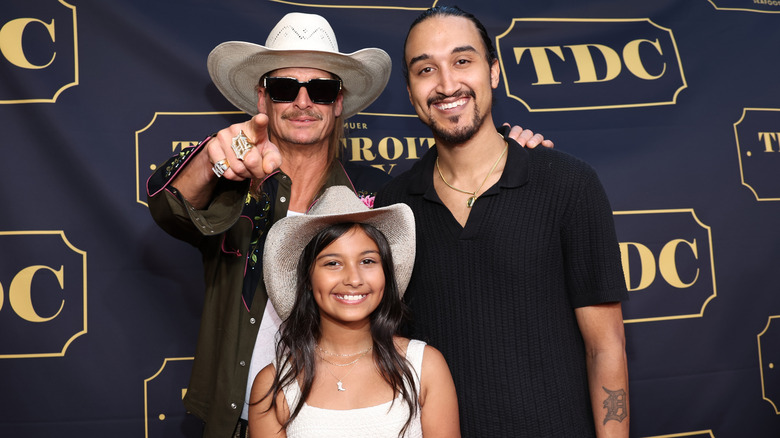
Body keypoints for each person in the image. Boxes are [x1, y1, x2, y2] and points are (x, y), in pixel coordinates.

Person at [147, 11, 550, 438]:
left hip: (347, 420)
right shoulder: (229, 191)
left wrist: (501, 155)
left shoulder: (376, 197)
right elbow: (166, 202)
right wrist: (213, 158)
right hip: (235, 420)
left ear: (338, 102)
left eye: (320, 89)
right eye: (285, 88)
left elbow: (450, 199)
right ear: (263, 99)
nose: (303, 102)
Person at [375, 6, 630, 438]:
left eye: (462, 61)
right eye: (425, 69)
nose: (447, 83)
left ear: (493, 71)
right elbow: (388, 354)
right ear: (411, 89)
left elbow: (605, 348)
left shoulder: (569, 184)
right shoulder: (393, 206)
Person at [248, 185, 459, 437]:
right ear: (307, 278)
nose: (353, 278)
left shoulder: (425, 367)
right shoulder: (272, 386)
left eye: (367, 261)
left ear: (386, 273)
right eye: (333, 263)